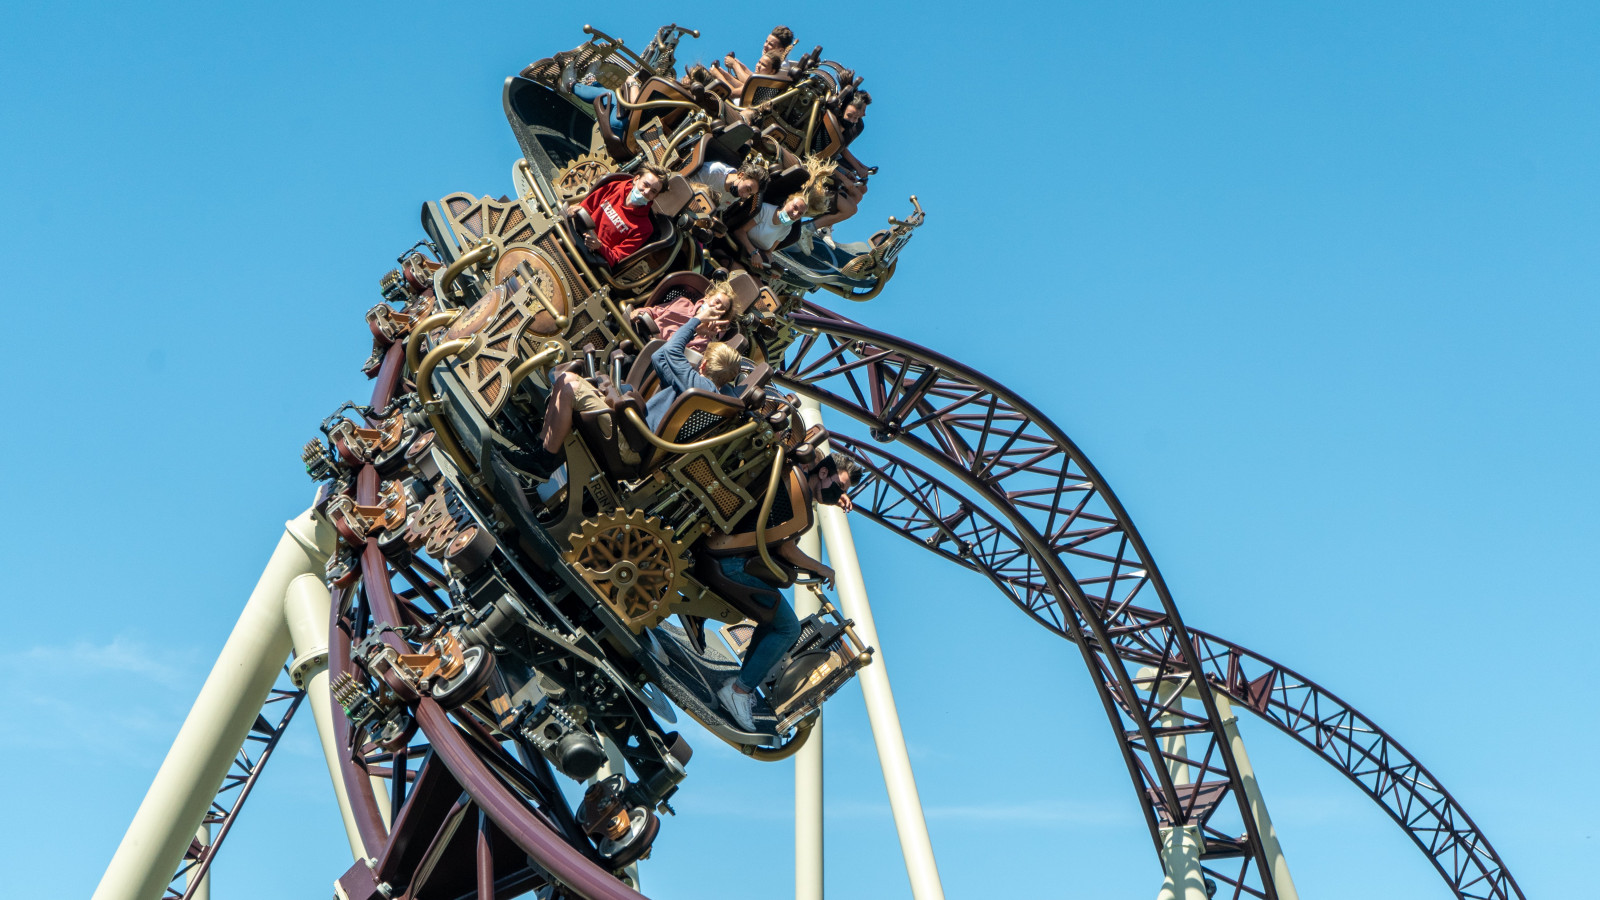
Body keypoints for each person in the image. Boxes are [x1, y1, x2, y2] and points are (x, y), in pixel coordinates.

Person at [714, 452, 858, 730]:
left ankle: (741, 684)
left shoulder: (797, 482)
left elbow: (815, 457)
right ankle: (739, 691)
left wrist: (831, 491)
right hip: (733, 564)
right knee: (788, 628)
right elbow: (786, 549)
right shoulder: (797, 492)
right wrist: (822, 568)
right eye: (839, 487)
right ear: (824, 473)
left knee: (772, 619)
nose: (838, 495)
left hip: (732, 555)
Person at [644, 298, 744, 431]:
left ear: (703, 365)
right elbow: (658, 357)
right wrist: (697, 332)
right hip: (647, 439)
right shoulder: (717, 400)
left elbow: (671, 350)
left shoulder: (696, 386)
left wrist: (696, 320)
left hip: (636, 432)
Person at [570, 164, 667, 266]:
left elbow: (617, 257)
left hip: (590, 257)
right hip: (575, 234)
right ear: (636, 179)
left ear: (655, 196)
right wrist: (575, 209)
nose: (646, 192)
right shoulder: (615, 187)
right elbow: (586, 207)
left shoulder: (644, 228)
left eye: (653, 191)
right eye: (645, 185)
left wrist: (599, 246)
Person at [641, 279, 734, 354]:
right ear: (706, 298)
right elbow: (653, 312)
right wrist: (638, 312)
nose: (717, 307)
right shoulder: (683, 303)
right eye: (717, 302)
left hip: (654, 356)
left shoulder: (705, 339)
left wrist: (696, 330)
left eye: (722, 308)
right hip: (642, 335)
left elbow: (677, 356)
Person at [734, 192, 807, 270]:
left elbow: (768, 252)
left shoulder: (787, 229)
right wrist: (753, 252)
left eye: (800, 214)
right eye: (795, 207)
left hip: (752, 260)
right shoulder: (765, 210)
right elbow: (739, 232)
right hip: (737, 248)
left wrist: (772, 266)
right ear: (786, 202)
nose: (795, 214)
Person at [687, 160, 764, 213]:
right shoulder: (714, 171)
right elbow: (687, 186)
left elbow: (718, 209)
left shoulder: (737, 194)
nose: (744, 195)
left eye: (750, 194)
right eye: (747, 189)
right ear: (741, 175)